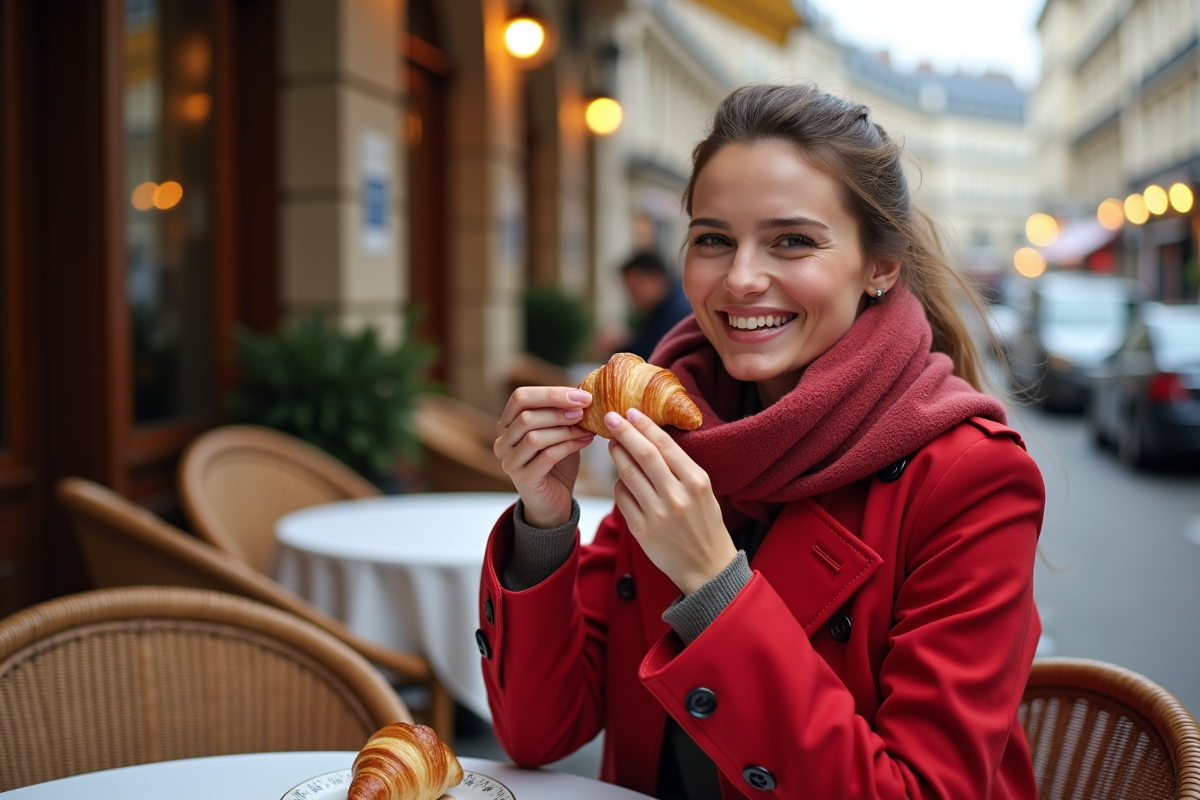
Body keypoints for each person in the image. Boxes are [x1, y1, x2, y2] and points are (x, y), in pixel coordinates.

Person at [483, 83, 1044, 800]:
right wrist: (544, 524)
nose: (742, 279)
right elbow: (540, 734)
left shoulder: (971, 476)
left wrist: (717, 587)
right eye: (713, 240)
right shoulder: (681, 431)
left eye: (793, 241)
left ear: (881, 266)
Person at [613, 250, 695, 361]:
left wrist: (619, 346)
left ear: (655, 278)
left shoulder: (677, 312)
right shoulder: (663, 306)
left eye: (635, 292)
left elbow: (649, 354)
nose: (632, 300)